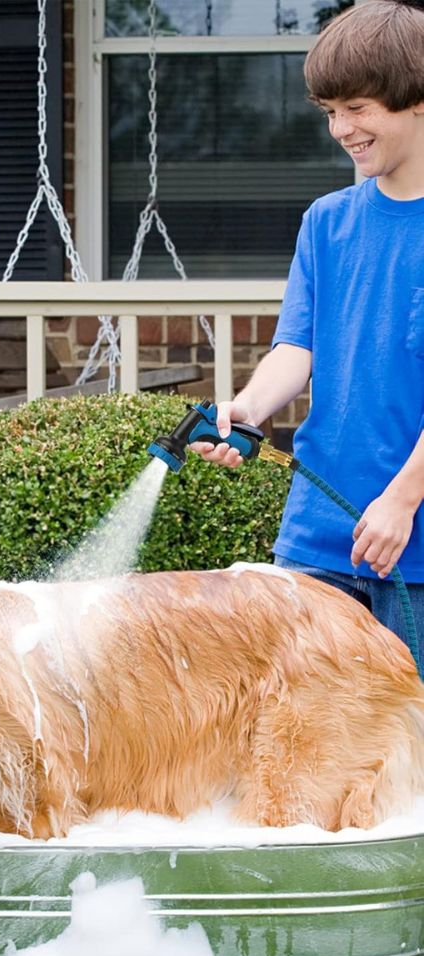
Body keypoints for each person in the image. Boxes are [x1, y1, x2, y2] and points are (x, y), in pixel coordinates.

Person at [192, 0, 424, 650]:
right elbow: (297, 347)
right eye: (329, 112)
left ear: (417, 99)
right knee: (308, 739)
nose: (341, 128)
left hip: (413, 534)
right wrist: (248, 407)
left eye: (358, 108)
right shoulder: (327, 223)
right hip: (319, 531)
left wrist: (403, 499)